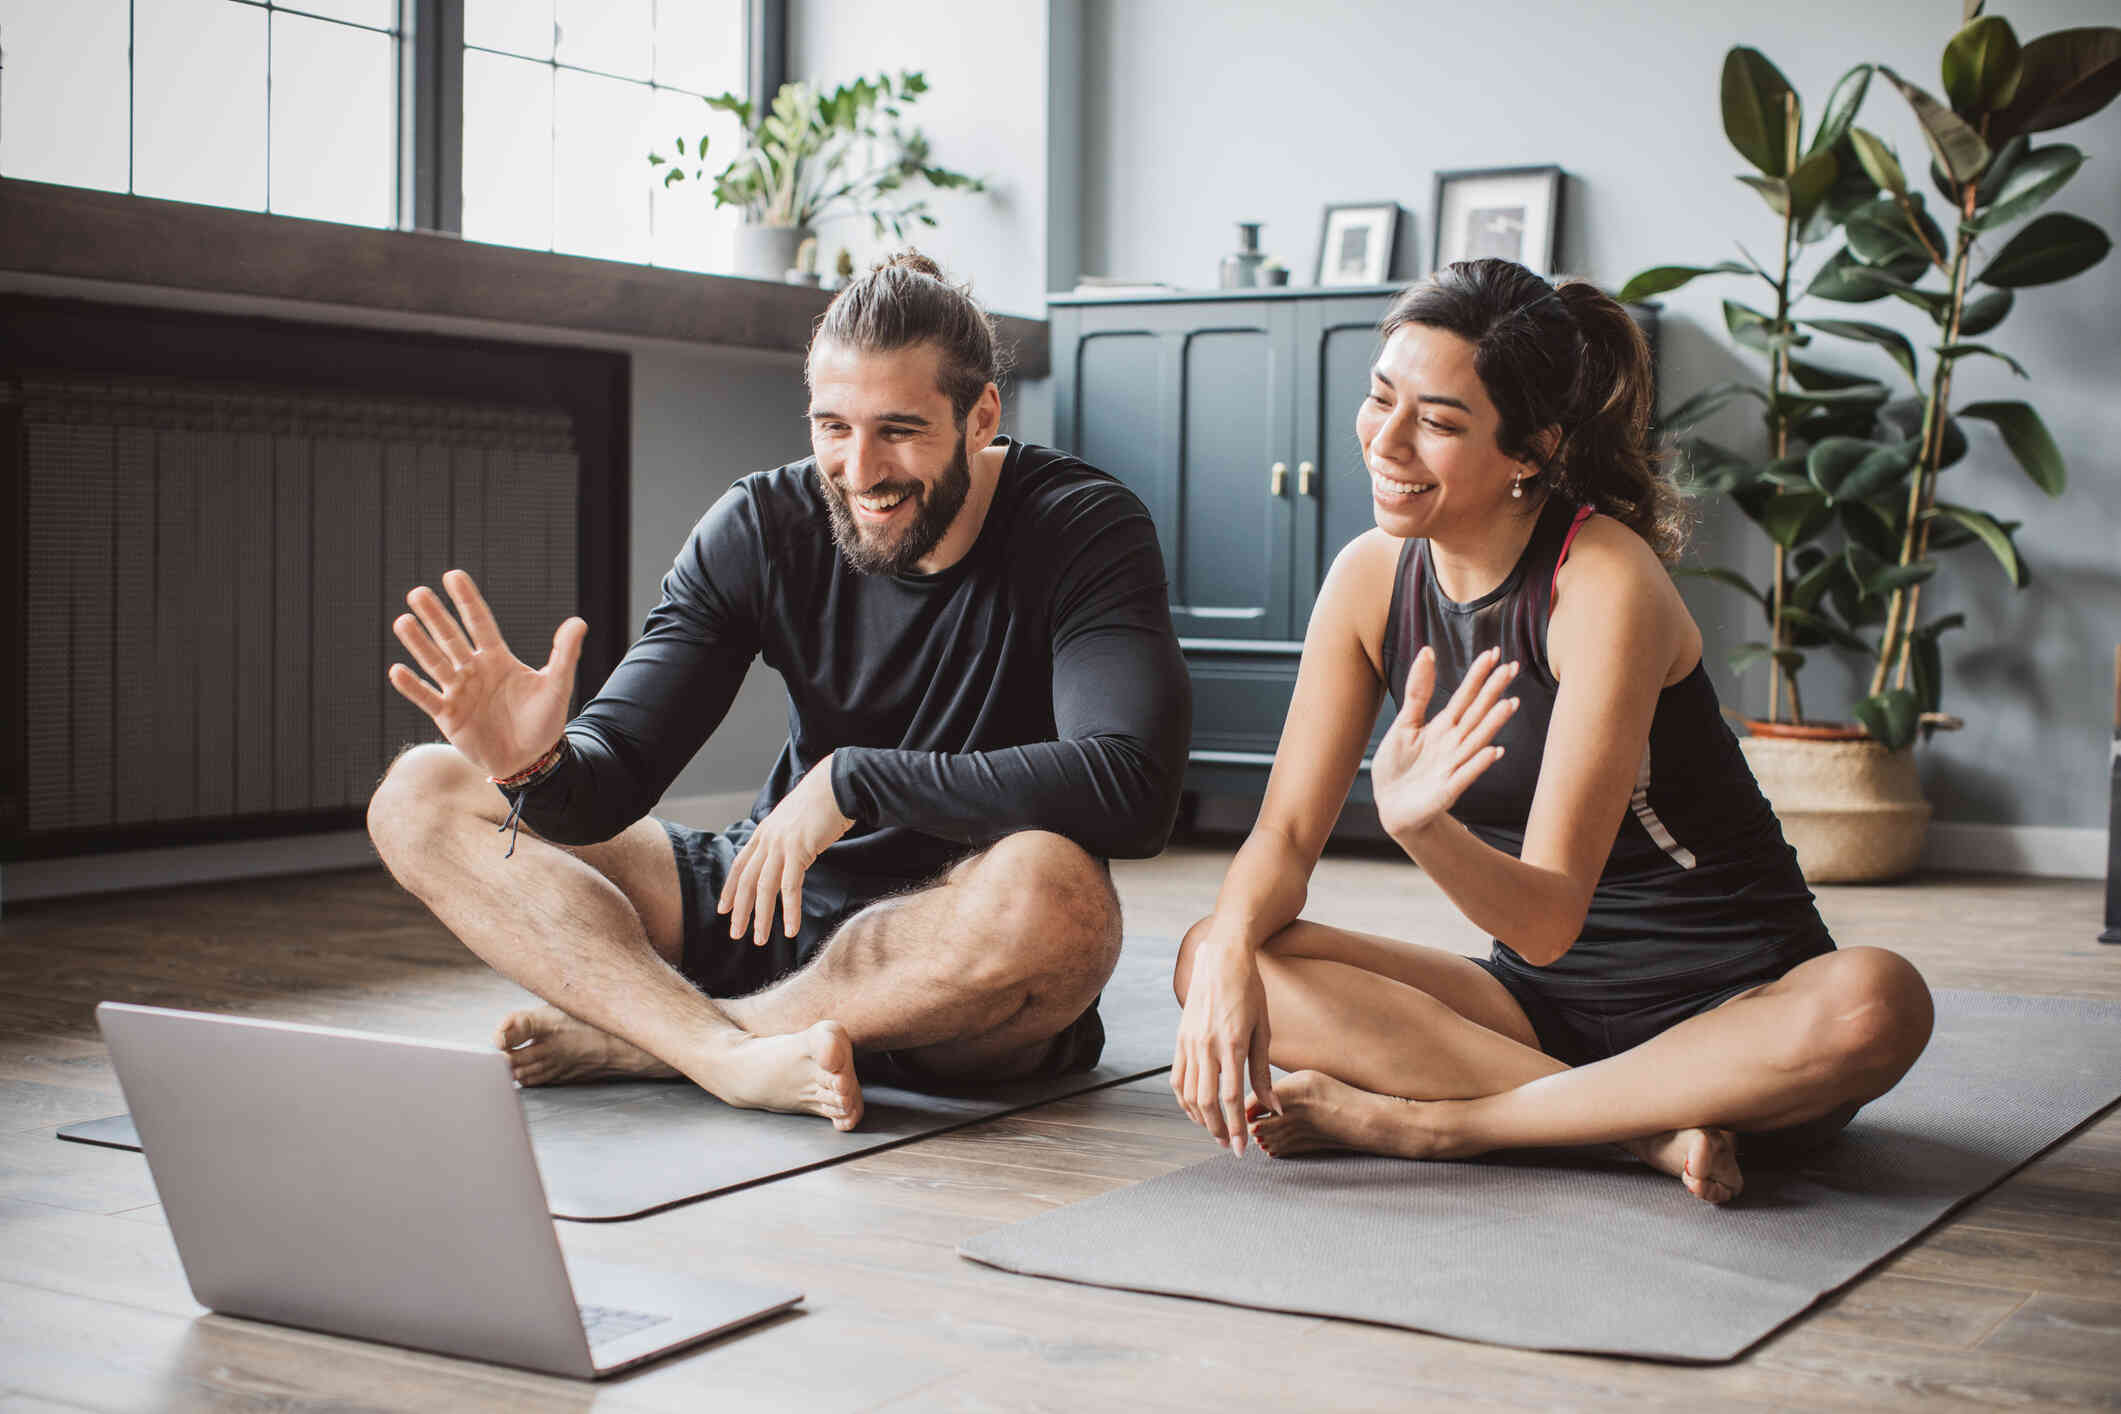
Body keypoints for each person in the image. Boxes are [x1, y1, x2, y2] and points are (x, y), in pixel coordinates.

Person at [1170, 258, 1934, 1203]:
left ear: (1529, 450)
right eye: (1380, 400)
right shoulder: (1369, 578)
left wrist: (1420, 827)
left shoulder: (1602, 582)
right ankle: (1638, 1136)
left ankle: (1445, 1126)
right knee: (1213, 951)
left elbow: (1543, 920)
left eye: (1439, 423)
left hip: (1732, 1013)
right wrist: (1233, 961)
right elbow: (1281, 837)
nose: (1386, 442)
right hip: (1525, 1019)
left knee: (1875, 1001)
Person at [368, 252, 1190, 1132]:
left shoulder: (1082, 526)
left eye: (899, 430)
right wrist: (534, 764)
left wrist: (856, 781)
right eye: (832, 427)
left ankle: (657, 1041)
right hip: (763, 902)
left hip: (945, 960)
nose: (860, 469)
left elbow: (1131, 787)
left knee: (1057, 893)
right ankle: (725, 1053)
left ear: (981, 414)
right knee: (422, 790)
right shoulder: (759, 524)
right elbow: (607, 787)